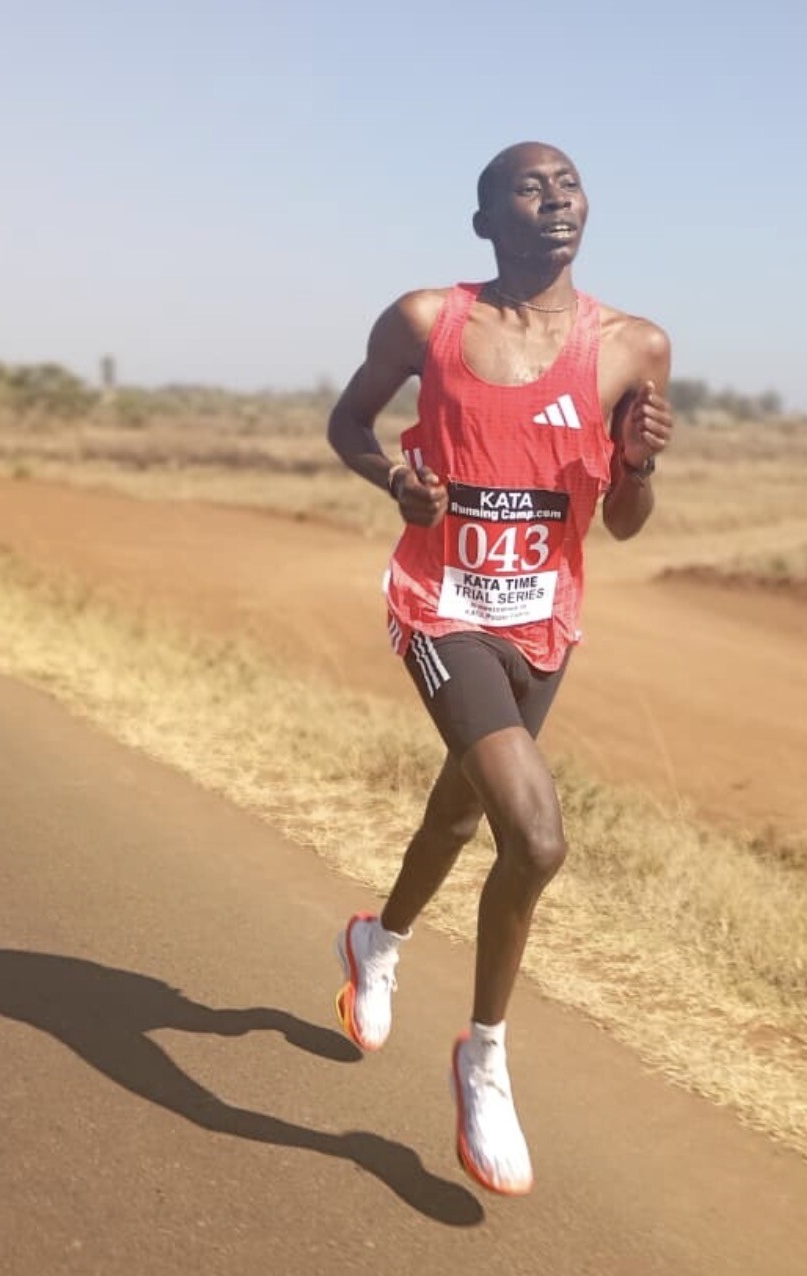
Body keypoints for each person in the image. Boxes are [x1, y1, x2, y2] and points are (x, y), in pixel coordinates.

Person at [326, 141, 673, 1196]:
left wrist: (640, 463)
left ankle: (377, 941)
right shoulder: (427, 321)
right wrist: (396, 482)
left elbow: (623, 521)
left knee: (461, 813)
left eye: (569, 183)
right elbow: (348, 422)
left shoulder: (633, 347)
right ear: (486, 222)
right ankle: (484, 1059)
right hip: (442, 608)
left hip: (543, 621)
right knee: (536, 833)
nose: (555, 198)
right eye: (529, 185)